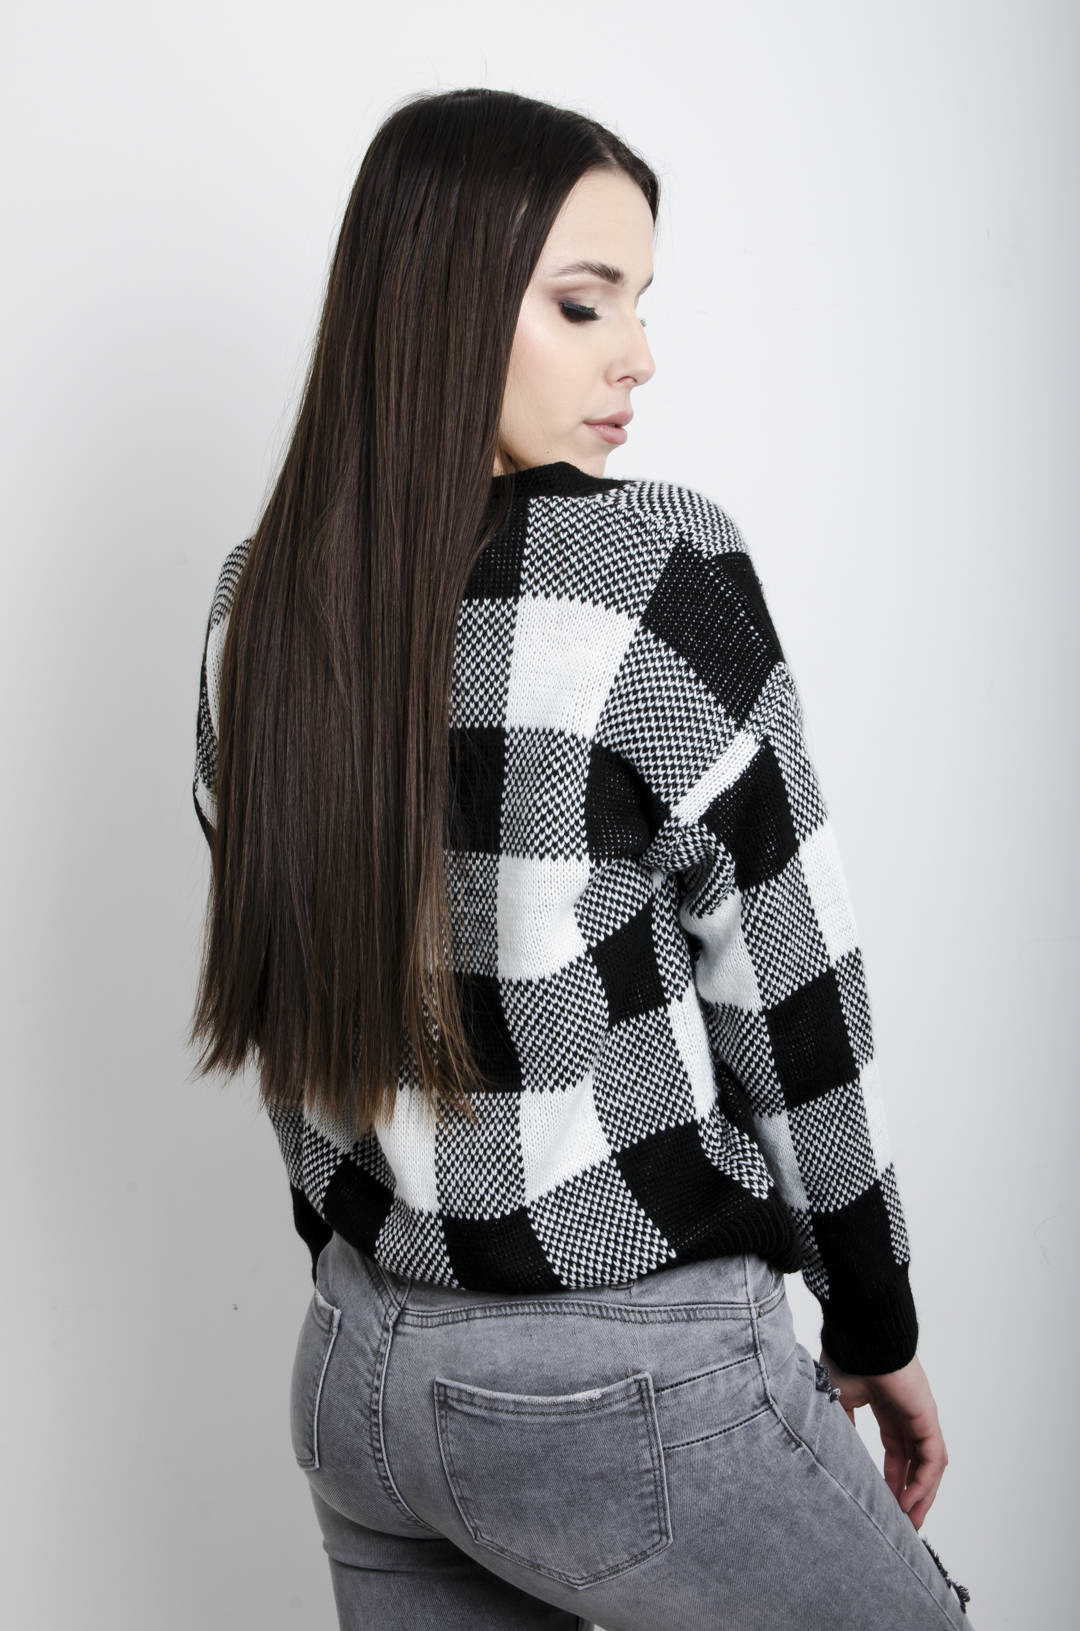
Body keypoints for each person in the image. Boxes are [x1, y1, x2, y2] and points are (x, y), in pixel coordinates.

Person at [189, 88, 973, 1629]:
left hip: (358, 1376)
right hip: (627, 1380)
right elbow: (790, 987)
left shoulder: (256, 603)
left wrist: (379, 1273)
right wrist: (873, 1314)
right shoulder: (647, 567)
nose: (639, 355)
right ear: (439, 302)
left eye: (640, 303)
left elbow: (291, 1005)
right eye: (582, 302)